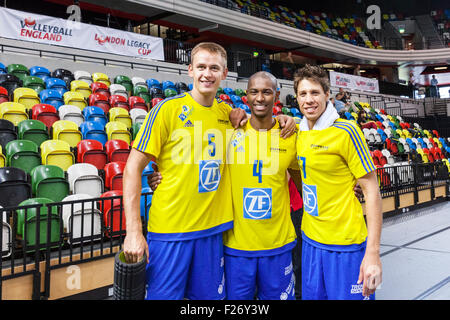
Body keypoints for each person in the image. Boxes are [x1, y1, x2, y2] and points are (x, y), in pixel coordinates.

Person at [122, 42, 296, 300]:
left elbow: (261, 123)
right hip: (171, 232)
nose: (207, 74)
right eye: (201, 67)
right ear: (190, 70)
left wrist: (286, 118)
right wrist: (134, 232)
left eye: (214, 68)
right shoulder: (166, 110)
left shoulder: (230, 115)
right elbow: (132, 169)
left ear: (224, 73)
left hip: (214, 233)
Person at [293, 64, 382, 300]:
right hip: (311, 241)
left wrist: (373, 253)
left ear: (327, 94)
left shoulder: (346, 131)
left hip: (345, 245)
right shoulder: (299, 132)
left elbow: (372, 191)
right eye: (303, 94)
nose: (309, 99)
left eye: (315, 93)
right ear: (296, 98)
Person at [222, 71, 302, 300]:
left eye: (267, 92)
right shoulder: (230, 131)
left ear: (277, 95)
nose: (260, 98)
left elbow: (304, 182)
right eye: (254, 92)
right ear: (245, 95)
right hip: (237, 246)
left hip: (278, 245)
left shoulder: (289, 136)